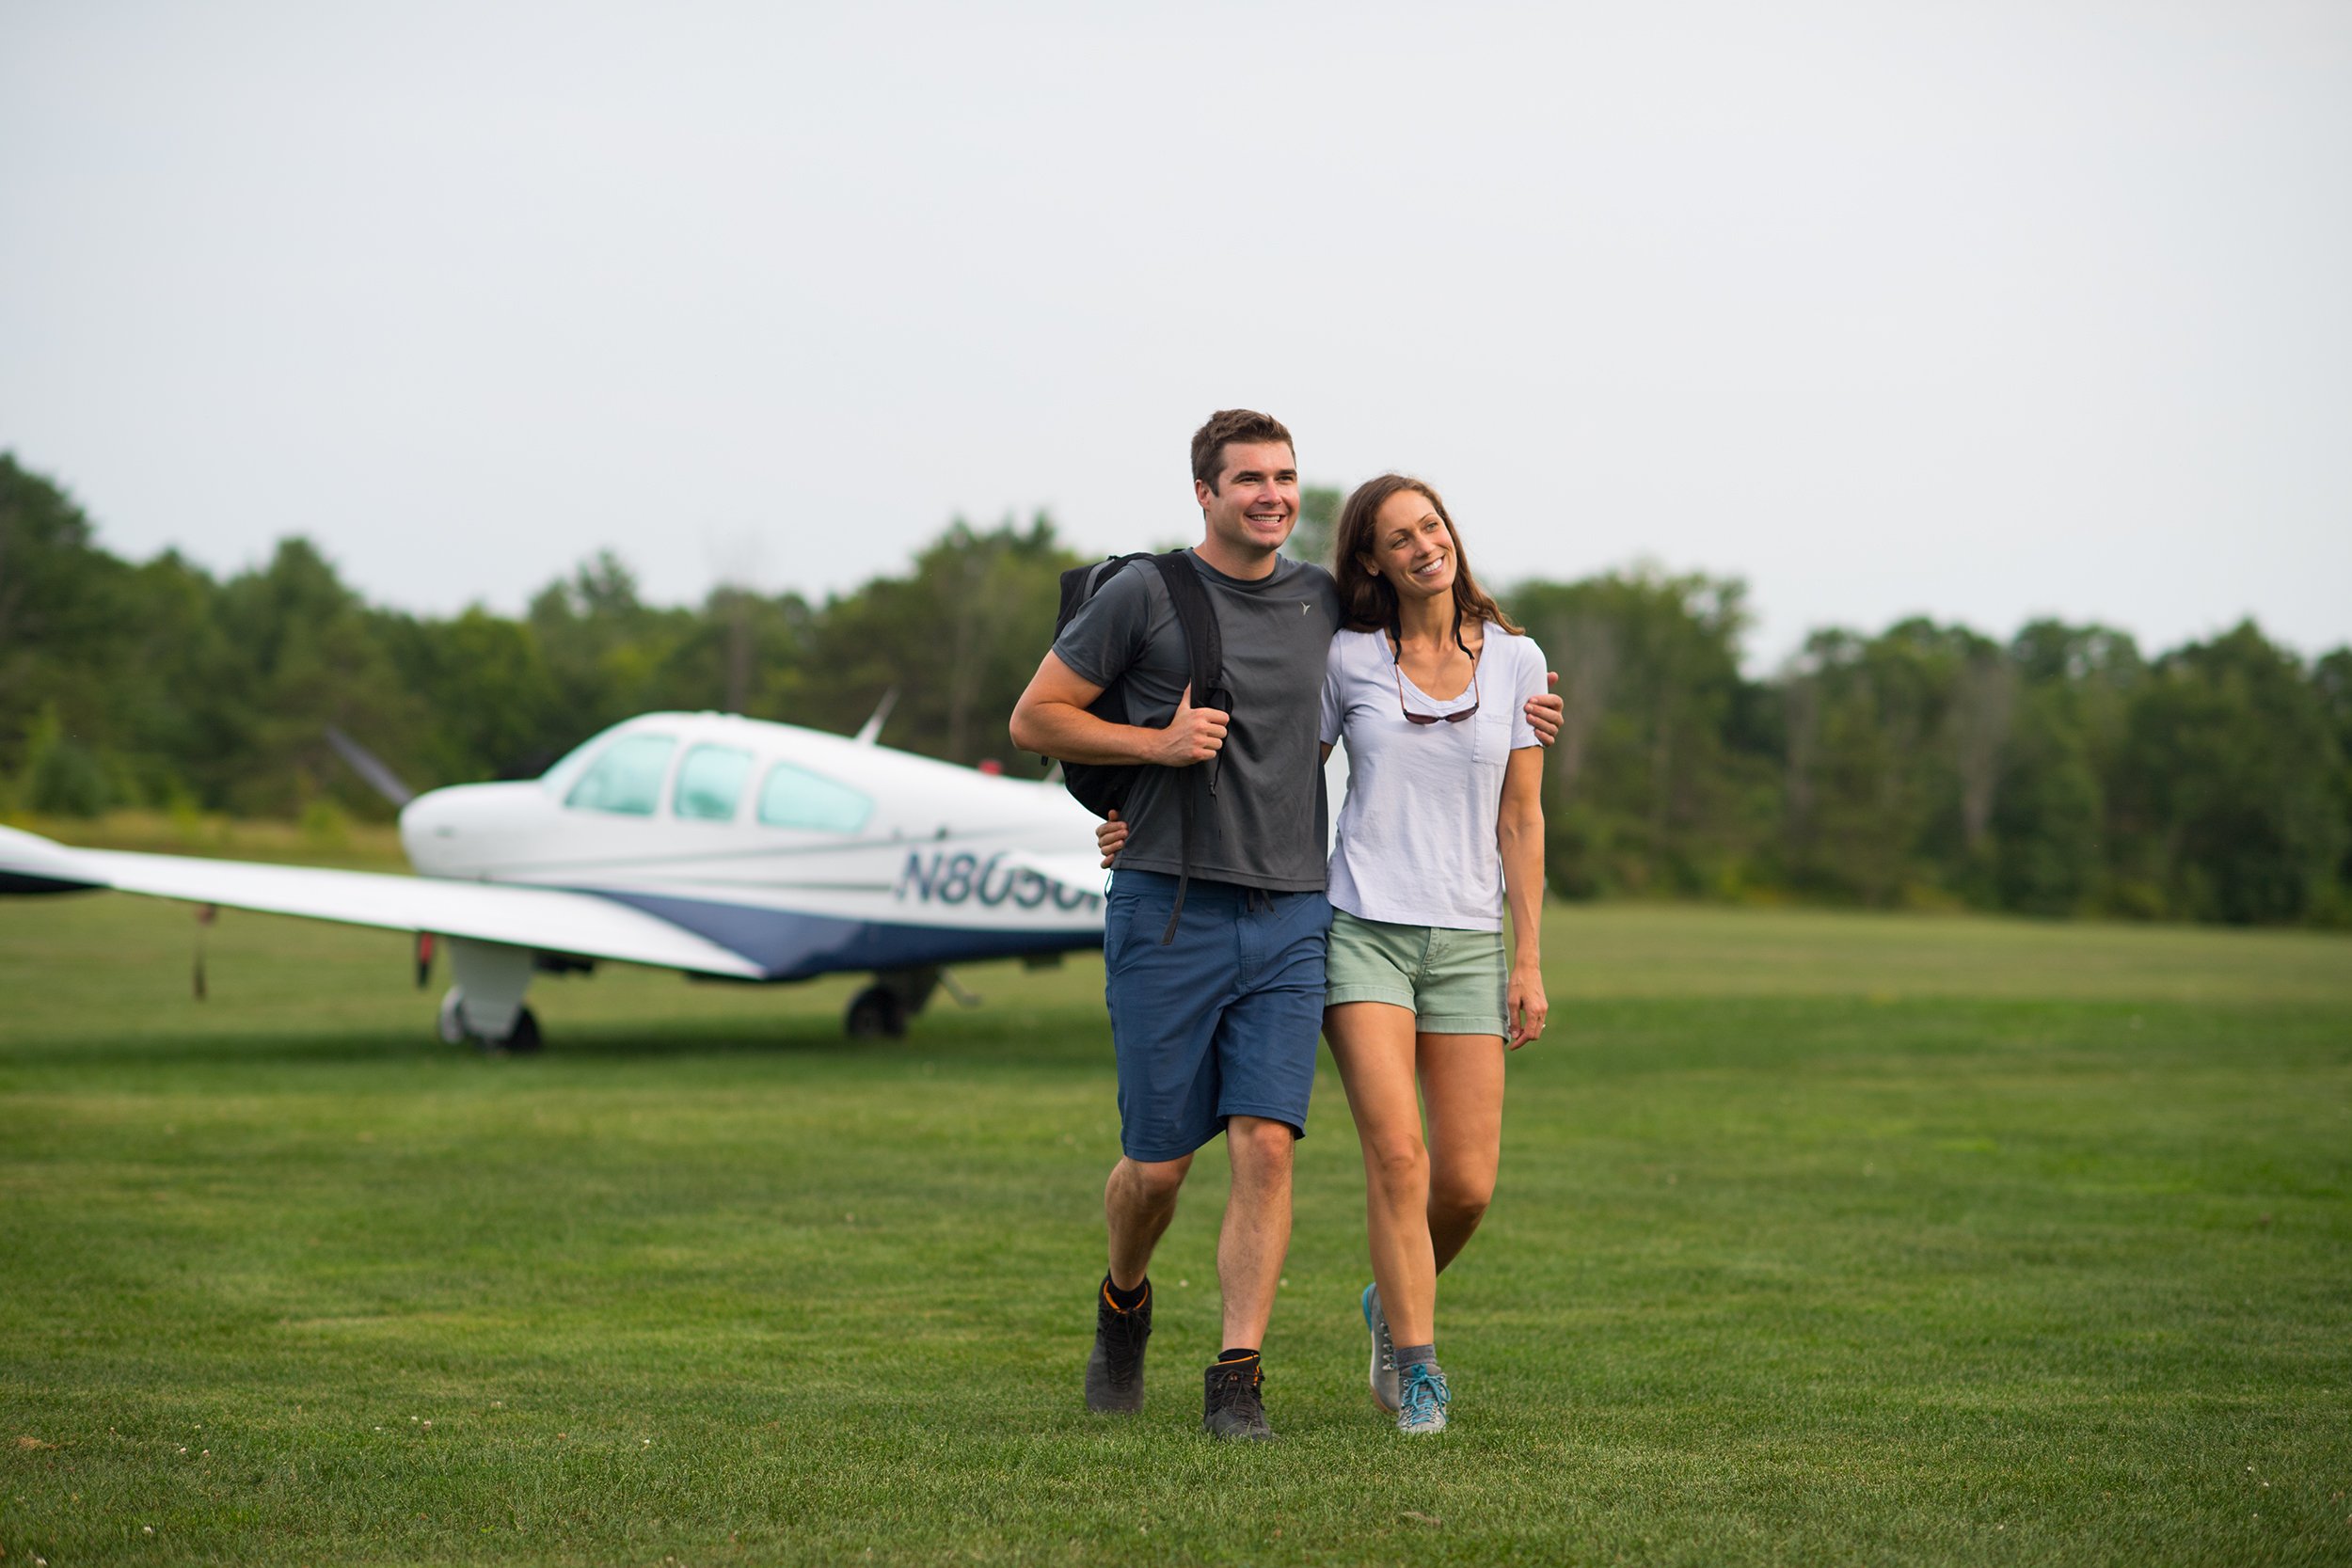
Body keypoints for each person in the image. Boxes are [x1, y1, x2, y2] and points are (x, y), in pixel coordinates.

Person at [1009, 411, 1561, 1441]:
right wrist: (1150, 760)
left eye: (1285, 476)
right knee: (1159, 1166)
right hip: (1176, 905)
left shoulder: (1324, 605)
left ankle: (1236, 1379)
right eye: (1249, 478)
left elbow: (1412, 673)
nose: (1271, 493)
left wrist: (1516, 703)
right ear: (1205, 494)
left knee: (1270, 1143)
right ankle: (1124, 1294)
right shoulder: (1150, 592)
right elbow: (1038, 719)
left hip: (1295, 913)